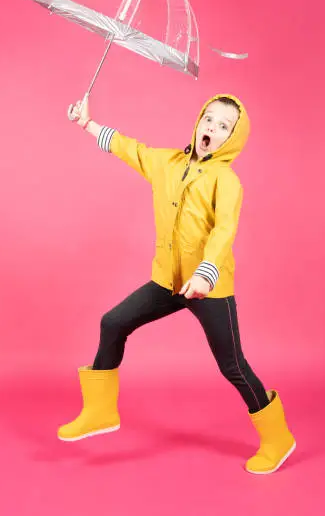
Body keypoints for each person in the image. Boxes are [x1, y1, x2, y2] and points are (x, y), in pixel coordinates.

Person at [58, 92, 296, 474]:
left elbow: (224, 231)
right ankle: (101, 411)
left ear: (232, 138)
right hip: (168, 281)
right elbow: (131, 149)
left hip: (208, 287)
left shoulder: (226, 180)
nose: (212, 129)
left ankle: (277, 437)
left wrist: (206, 272)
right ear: (198, 121)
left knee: (232, 365)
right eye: (209, 119)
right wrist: (88, 124)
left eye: (223, 127)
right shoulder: (168, 162)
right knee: (113, 322)